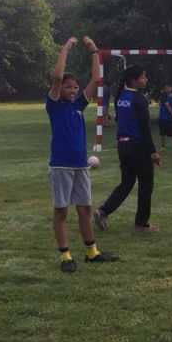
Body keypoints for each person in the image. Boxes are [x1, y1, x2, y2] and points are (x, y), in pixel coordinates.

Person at [47, 36, 118, 272]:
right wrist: (65, 48)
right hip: (61, 166)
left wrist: (95, 51)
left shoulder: (77, 106)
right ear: (59, 90)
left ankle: (91, 252)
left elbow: (97, 81)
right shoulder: (54, 106)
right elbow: (58, 77)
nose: (73, 90)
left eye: (75, 87)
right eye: (68, 87)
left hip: (80, 166)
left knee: (85, 209)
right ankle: (65, 256)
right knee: (61, 211)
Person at [95, 63, 161, 231]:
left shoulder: (120, 96)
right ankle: (142, 223)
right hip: (138, 146)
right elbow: (144, 127)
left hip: (123, 145)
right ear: (133, 80)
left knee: (126, 183)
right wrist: (152, 151)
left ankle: (103, 211)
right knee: (145, 185)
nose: (146, 80)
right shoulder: (139, 99)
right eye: (143, 77)